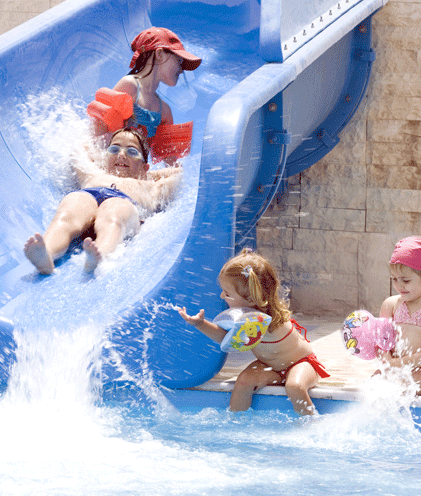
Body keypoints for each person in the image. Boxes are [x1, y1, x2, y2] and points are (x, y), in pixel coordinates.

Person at [178, 249, 330, 416]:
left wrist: (201, 324)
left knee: (295, 387)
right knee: (243, 382)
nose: (222, 296)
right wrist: (200, 323)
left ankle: (311, 424)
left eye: (227, 293)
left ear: (251, 299)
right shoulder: (248, 318)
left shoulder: (265, 320)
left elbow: (228, 338)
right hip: (270, 368)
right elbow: (227, 338)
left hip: (301, 364)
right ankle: (236, 421)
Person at [24, 127, 182, 274]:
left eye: (132, 152)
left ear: (144, 166)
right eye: (114, 149)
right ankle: (46, 252)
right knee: (71, 208)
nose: (121, 155)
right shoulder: (93, 173)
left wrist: (147, 175)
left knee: (114, 212)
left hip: (123, 203)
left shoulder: (151, 187)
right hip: (89, 196)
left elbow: (181, 174)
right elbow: (77, 150)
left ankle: (100, 253)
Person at [92, 27, 201, 157]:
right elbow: (98, 137)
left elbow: (171, 160)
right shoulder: (130, 85)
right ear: (159, 54)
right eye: (179, 61)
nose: (182, 70)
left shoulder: (165, 111)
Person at [377, 236, 421, 395]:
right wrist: (386, 360)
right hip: (393, 369)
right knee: (374, 383)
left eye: (406, 281)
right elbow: (381, 343)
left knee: (406, 382)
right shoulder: (390, 305)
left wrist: (395, 364)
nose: (398, 286)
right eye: (394, 279)